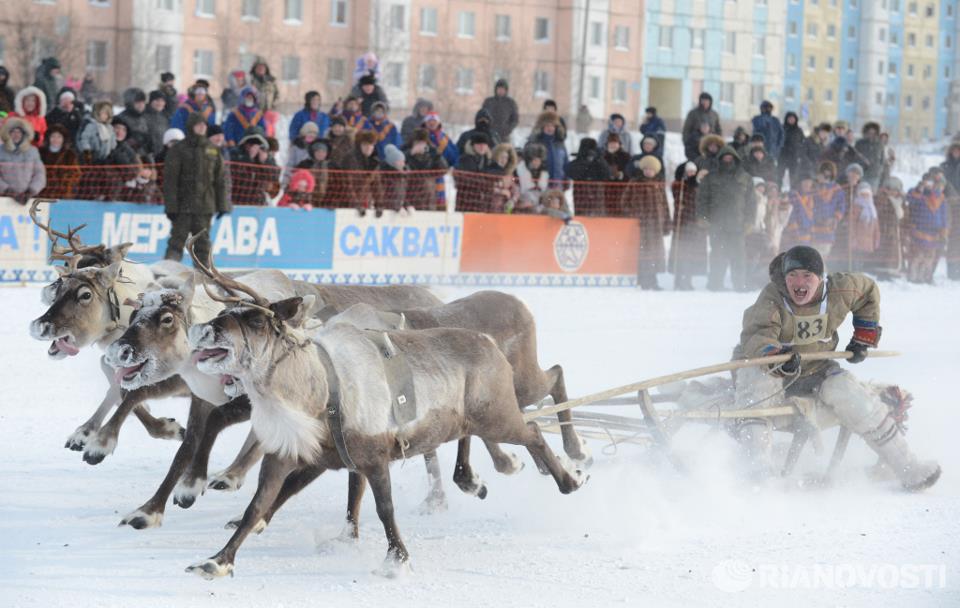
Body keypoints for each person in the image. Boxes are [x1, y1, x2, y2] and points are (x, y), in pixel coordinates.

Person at [731, 245, 940, 490]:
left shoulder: (839, 290)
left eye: (807, 276)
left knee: (855, 397)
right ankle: (759, 472)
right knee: (758, 388)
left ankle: (908, 467)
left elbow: (868, 291)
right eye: (792, 276)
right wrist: (777, 357)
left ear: (819, 278)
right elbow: (758, 335)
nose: (799, 283)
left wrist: (863, 336)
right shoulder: (772, 297)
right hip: (765, 366)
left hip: (816, 367)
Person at [163, 112, 228, 262]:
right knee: (176, 243)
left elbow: (220, 180)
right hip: (183, 207)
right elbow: (170, 181)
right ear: (191, 127)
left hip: (205, 208)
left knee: (203, 246)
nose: (202, 128)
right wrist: (171, 206)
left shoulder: (213, 150)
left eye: (204, 125)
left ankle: (203, 277)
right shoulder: (179, 149)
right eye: (198, 125)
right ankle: (167, 274)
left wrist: (223, 204)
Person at [696, 146, 755, 291]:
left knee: (739, 256)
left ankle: (740, 284)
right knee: (717, 255)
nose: (727, 160)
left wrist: (750, 221)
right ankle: (715, 284)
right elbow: (702, 199)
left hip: (738, 224)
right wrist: (702, 217)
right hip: (717, 224)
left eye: (730, 157)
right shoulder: (711, 177)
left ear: (735, 159)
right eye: (724, 157)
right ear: (720, 159)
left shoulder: (745, 178)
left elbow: (751, 202)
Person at [623, 155, 669, 290]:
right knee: (643, 252)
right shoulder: (634, 182)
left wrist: (666, 222)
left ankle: (653, 280)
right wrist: (634, 215)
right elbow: (625, 202)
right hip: (641, 225)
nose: (648, 171)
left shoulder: (659, 184)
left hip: (656, 225)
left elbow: (665, 204)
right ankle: (643, 279)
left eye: (651, 169)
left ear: (655, 171)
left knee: (655, 253)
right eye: (646, 169)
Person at [905, 173, 949, 284]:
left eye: (941, 185)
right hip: (919, 229)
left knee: (930, 257)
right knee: (917, 255)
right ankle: (914, 276)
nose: (938, 187)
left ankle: (926, 276)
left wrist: (944, 231)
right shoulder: (921, 194)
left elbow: (944, 216)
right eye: (936, 184)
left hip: (934, 233)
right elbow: (910, 198)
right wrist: (919, 188)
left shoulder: (942, 199)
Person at [669, 162, 707, 290]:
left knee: (690, 253)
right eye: (688, 171)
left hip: (694, 224)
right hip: (682, 224)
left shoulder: (697, 186)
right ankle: (679, 279)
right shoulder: (679, 185)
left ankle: (688, 279)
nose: (690, 174)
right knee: (680, 252)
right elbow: (677, 194)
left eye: (693, 171)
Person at [0, 117, 46, 203]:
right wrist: (7, 191)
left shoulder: (33, 151)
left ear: (24, 134)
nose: (16, 135)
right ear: (8, 134)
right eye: (13, 132)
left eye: (19, 132)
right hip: (3, 198)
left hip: (28, 199)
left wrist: (31, 191)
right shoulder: (1, 151)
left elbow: (40, 174)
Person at [229, 127, 279, 206]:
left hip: (258, 202)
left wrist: (265, 162)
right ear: (244, 143)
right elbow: (233, 175)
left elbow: (274, 178)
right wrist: (249, 158)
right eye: (251, 143)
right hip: (237, 201)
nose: (253, 147)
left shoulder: (265, 156)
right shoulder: (235, 154)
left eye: (258, 144)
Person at [870, 176, 906, 278]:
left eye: (895, 190)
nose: (892, 192)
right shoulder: (881, 199)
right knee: (883, 251)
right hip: (884, 230)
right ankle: (881, 272)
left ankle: (891, 271)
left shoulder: (900, 202)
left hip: (896, 231)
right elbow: (879, 212)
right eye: (890, 189)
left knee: (894, 252)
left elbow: (904, 216)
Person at [403, 128, 448, 210]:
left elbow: (444, 169)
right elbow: (397, 167)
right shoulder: (405, 151)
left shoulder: (431, 152)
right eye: (417, 143)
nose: (420, 146)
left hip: (428, 198)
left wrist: (436, 154)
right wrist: (410, 153)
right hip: (408, 196)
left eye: (422, 143)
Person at [564, 138, 610, 216]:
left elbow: (607, 174)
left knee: (597, 218)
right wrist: (584, 160)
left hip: (596, 195)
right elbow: (569, 171)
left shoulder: (598, 161)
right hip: (581, 195)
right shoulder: (578, 162)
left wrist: (599, 158)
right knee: (582, 216)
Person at [340, 129, 381, 215]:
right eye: (365, 144)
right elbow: (347, 185)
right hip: (346, 205)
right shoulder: (350, 159)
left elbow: (377, 186)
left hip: (365, 203)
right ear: (359, 145)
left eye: (371, 145)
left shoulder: (374, 162)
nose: (369, 147)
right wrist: (356, 205)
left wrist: (379, 204)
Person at [38, 123, 80, 199]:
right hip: (42, 192)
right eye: (53, 136)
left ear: (63, 139)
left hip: (63, 193)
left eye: (59, 137)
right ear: (48, 138)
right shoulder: (40, 153)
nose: (56, 140)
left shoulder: (70, 155)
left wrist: (65, 183)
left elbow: (75, 173)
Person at [527, 110, 568, 185]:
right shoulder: (534, 143)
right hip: (540, 186)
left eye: (552, 126)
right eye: (547, 125)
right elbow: (528, 163)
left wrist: (566, 181)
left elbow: (565, 164)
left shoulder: (560, 144)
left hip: (558, 184)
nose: (550, 128)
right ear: (542, 127)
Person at [682, 92, 721, 161]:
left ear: (710, 102)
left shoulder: (714, 114)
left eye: (707, 101)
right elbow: (686, 130)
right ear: (700, 101)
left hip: (711, 145)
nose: (705, 103)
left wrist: (719, 142)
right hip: (695, 144)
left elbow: (718, 129)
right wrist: (686, 143)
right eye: (703, 101)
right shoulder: (693, 113)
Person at [295, 138, 331, 208]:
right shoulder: (305, 164)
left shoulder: (331, 166)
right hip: (306, 200)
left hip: (326, 201)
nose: (321, 154)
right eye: (318, 152)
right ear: (313, 152)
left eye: (323, 152)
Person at [516, 143, 550, 212]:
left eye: (539, 160)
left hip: (539, 199)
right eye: (534, 160)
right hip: (525, 197)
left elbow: (545, 189)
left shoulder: (544, 173)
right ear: (530, 160)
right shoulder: (521, 170)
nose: (536, 163)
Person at [118, 88, 151, 156]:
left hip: (143, 156)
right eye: (137, 102)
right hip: (127, 157)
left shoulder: (144, 118)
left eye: (143, 102)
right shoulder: (120, 119)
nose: (141, 105)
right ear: (130, 103)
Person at [486, 143, 519, 213]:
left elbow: (515, 189)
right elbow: (487, 187)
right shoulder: (489, 171)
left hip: (507, 207)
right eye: (501, 157)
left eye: (506, 157)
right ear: (496, 157)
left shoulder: (509, 174)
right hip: (491, 206)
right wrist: (502, 192)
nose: (503, 160)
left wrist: (513, 200)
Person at [377, 144, 407, 215]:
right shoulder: (385, 177)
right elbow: (386, 196)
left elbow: (403, 195)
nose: (403, 164)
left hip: (397, 210)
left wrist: (407, 205)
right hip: (387, 212)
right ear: (393, 162)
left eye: (403, 161)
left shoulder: (402, 177)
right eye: (400, 161)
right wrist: (397, 207)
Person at [854, 122, 885, 191]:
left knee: (872, 194)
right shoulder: (859, 143)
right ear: (865, 132)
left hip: (874, 174)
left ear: (876, 133)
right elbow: (855, 157)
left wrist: (879, 170)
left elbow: (882, 160)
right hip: (862, 174)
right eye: (869, 132)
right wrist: (862, 163)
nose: (871, 134)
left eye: (873, 133)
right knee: (861, 193)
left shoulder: (879, 143)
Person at [778, 112, 805, 188]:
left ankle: (793, 191)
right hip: (783, 155)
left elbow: (802, 143)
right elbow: (777, 141)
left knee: (794, 176)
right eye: (789, 118)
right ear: (786, 119)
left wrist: (800, 154)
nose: (791, 120)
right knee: (779, 174)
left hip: (794, 156)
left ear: (796, 120)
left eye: (793, 118)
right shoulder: (781, 129)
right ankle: (777, 190)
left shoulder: (799, 130)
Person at [143, 91, 169, 157]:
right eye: (157, 100)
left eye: (162, 101)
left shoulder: (164, 117)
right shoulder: (143, 115)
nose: (160, 103)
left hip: (161, 155)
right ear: (151, 101)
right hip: (147, 156)